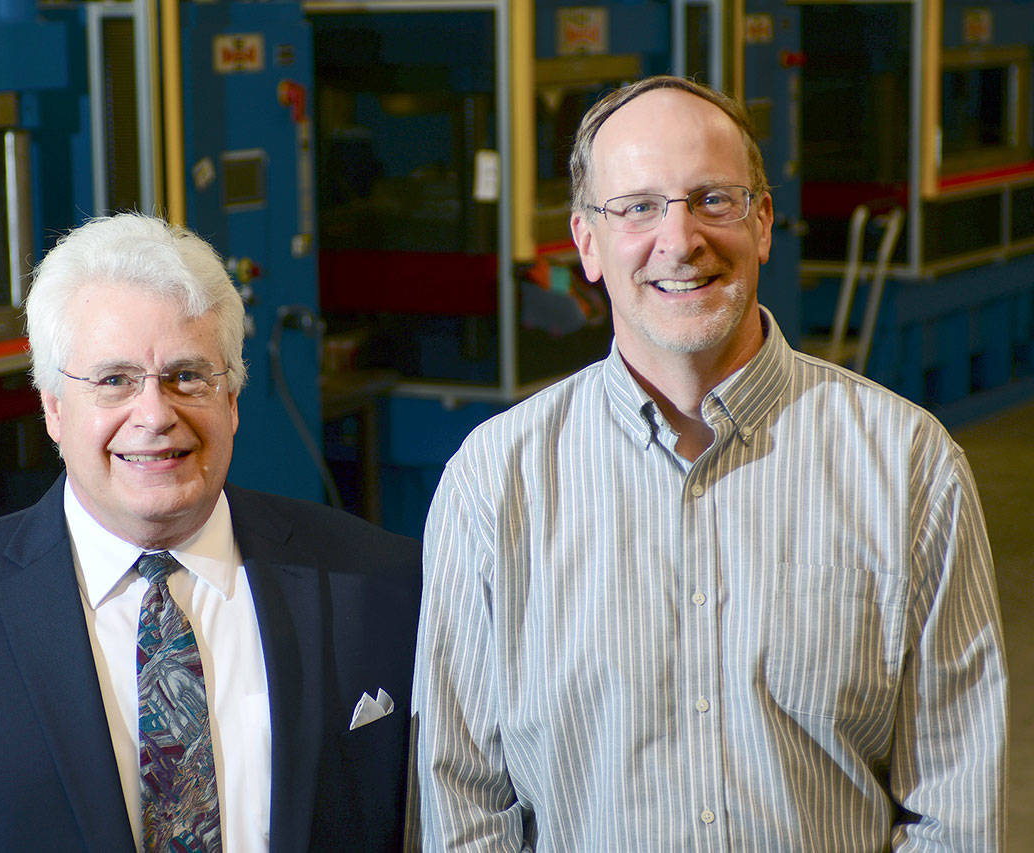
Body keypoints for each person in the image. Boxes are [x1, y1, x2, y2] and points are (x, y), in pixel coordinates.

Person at [411, 75, 1006, 850]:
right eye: (638, 207)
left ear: (762, 223)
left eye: (713, 200)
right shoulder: (492, 484)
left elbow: (955, 802)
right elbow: (462, 803)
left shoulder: (909, 465)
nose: (680, 239)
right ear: (586, 243)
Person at [0, 212, 421, 852]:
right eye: (114, 380)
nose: (154, 415)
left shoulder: (385, 587)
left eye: (187, 376)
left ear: (232, 401)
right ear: (53, 409)